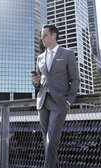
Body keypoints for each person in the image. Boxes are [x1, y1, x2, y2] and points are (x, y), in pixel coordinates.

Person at [31, 24, 80, 168]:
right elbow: (39, 84)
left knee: (51, 140)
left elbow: (75, 79)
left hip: (59, 102)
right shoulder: (40, 58)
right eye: (41, 35)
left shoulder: (67, 54)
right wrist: (35, 83)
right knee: (47, 142)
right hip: (42, 102)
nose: (42, 38)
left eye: (44, 35)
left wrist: (69, 100)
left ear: (54, 35)